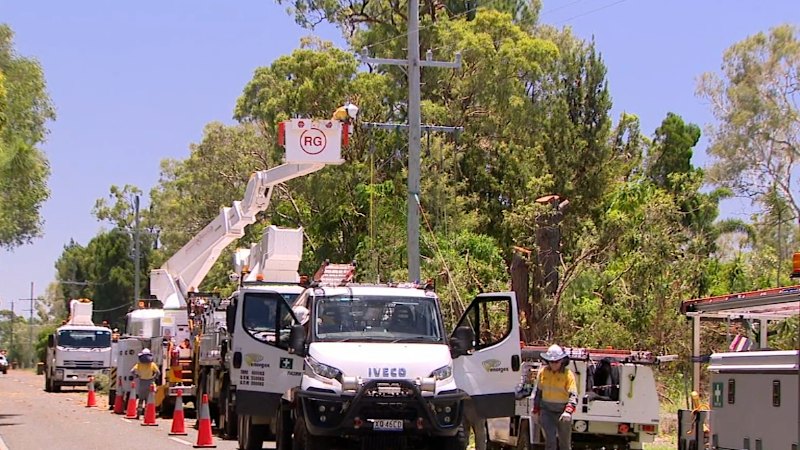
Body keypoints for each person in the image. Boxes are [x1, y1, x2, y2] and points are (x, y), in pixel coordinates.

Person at [532, 344, 578, 450]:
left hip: (563, 412)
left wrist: (568, 411)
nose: (554, 364)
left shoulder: (568, 375)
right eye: (551, 362)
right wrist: (535, 410)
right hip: (546, 412)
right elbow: (538, 393)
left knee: (564, 444)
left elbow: (573, 395)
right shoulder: (543, 373)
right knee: (550, 441)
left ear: (562, 361)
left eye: (556, 361)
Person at [130, 348, 160, 415]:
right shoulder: (152, 364)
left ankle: (138, 413)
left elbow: (132, 371)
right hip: (150, 382)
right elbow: (158, 372)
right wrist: (154, 377)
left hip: (142, 382)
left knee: (141, 399)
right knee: (148, 399)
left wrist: (137, 376)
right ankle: (147, 414)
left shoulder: (139, 364)